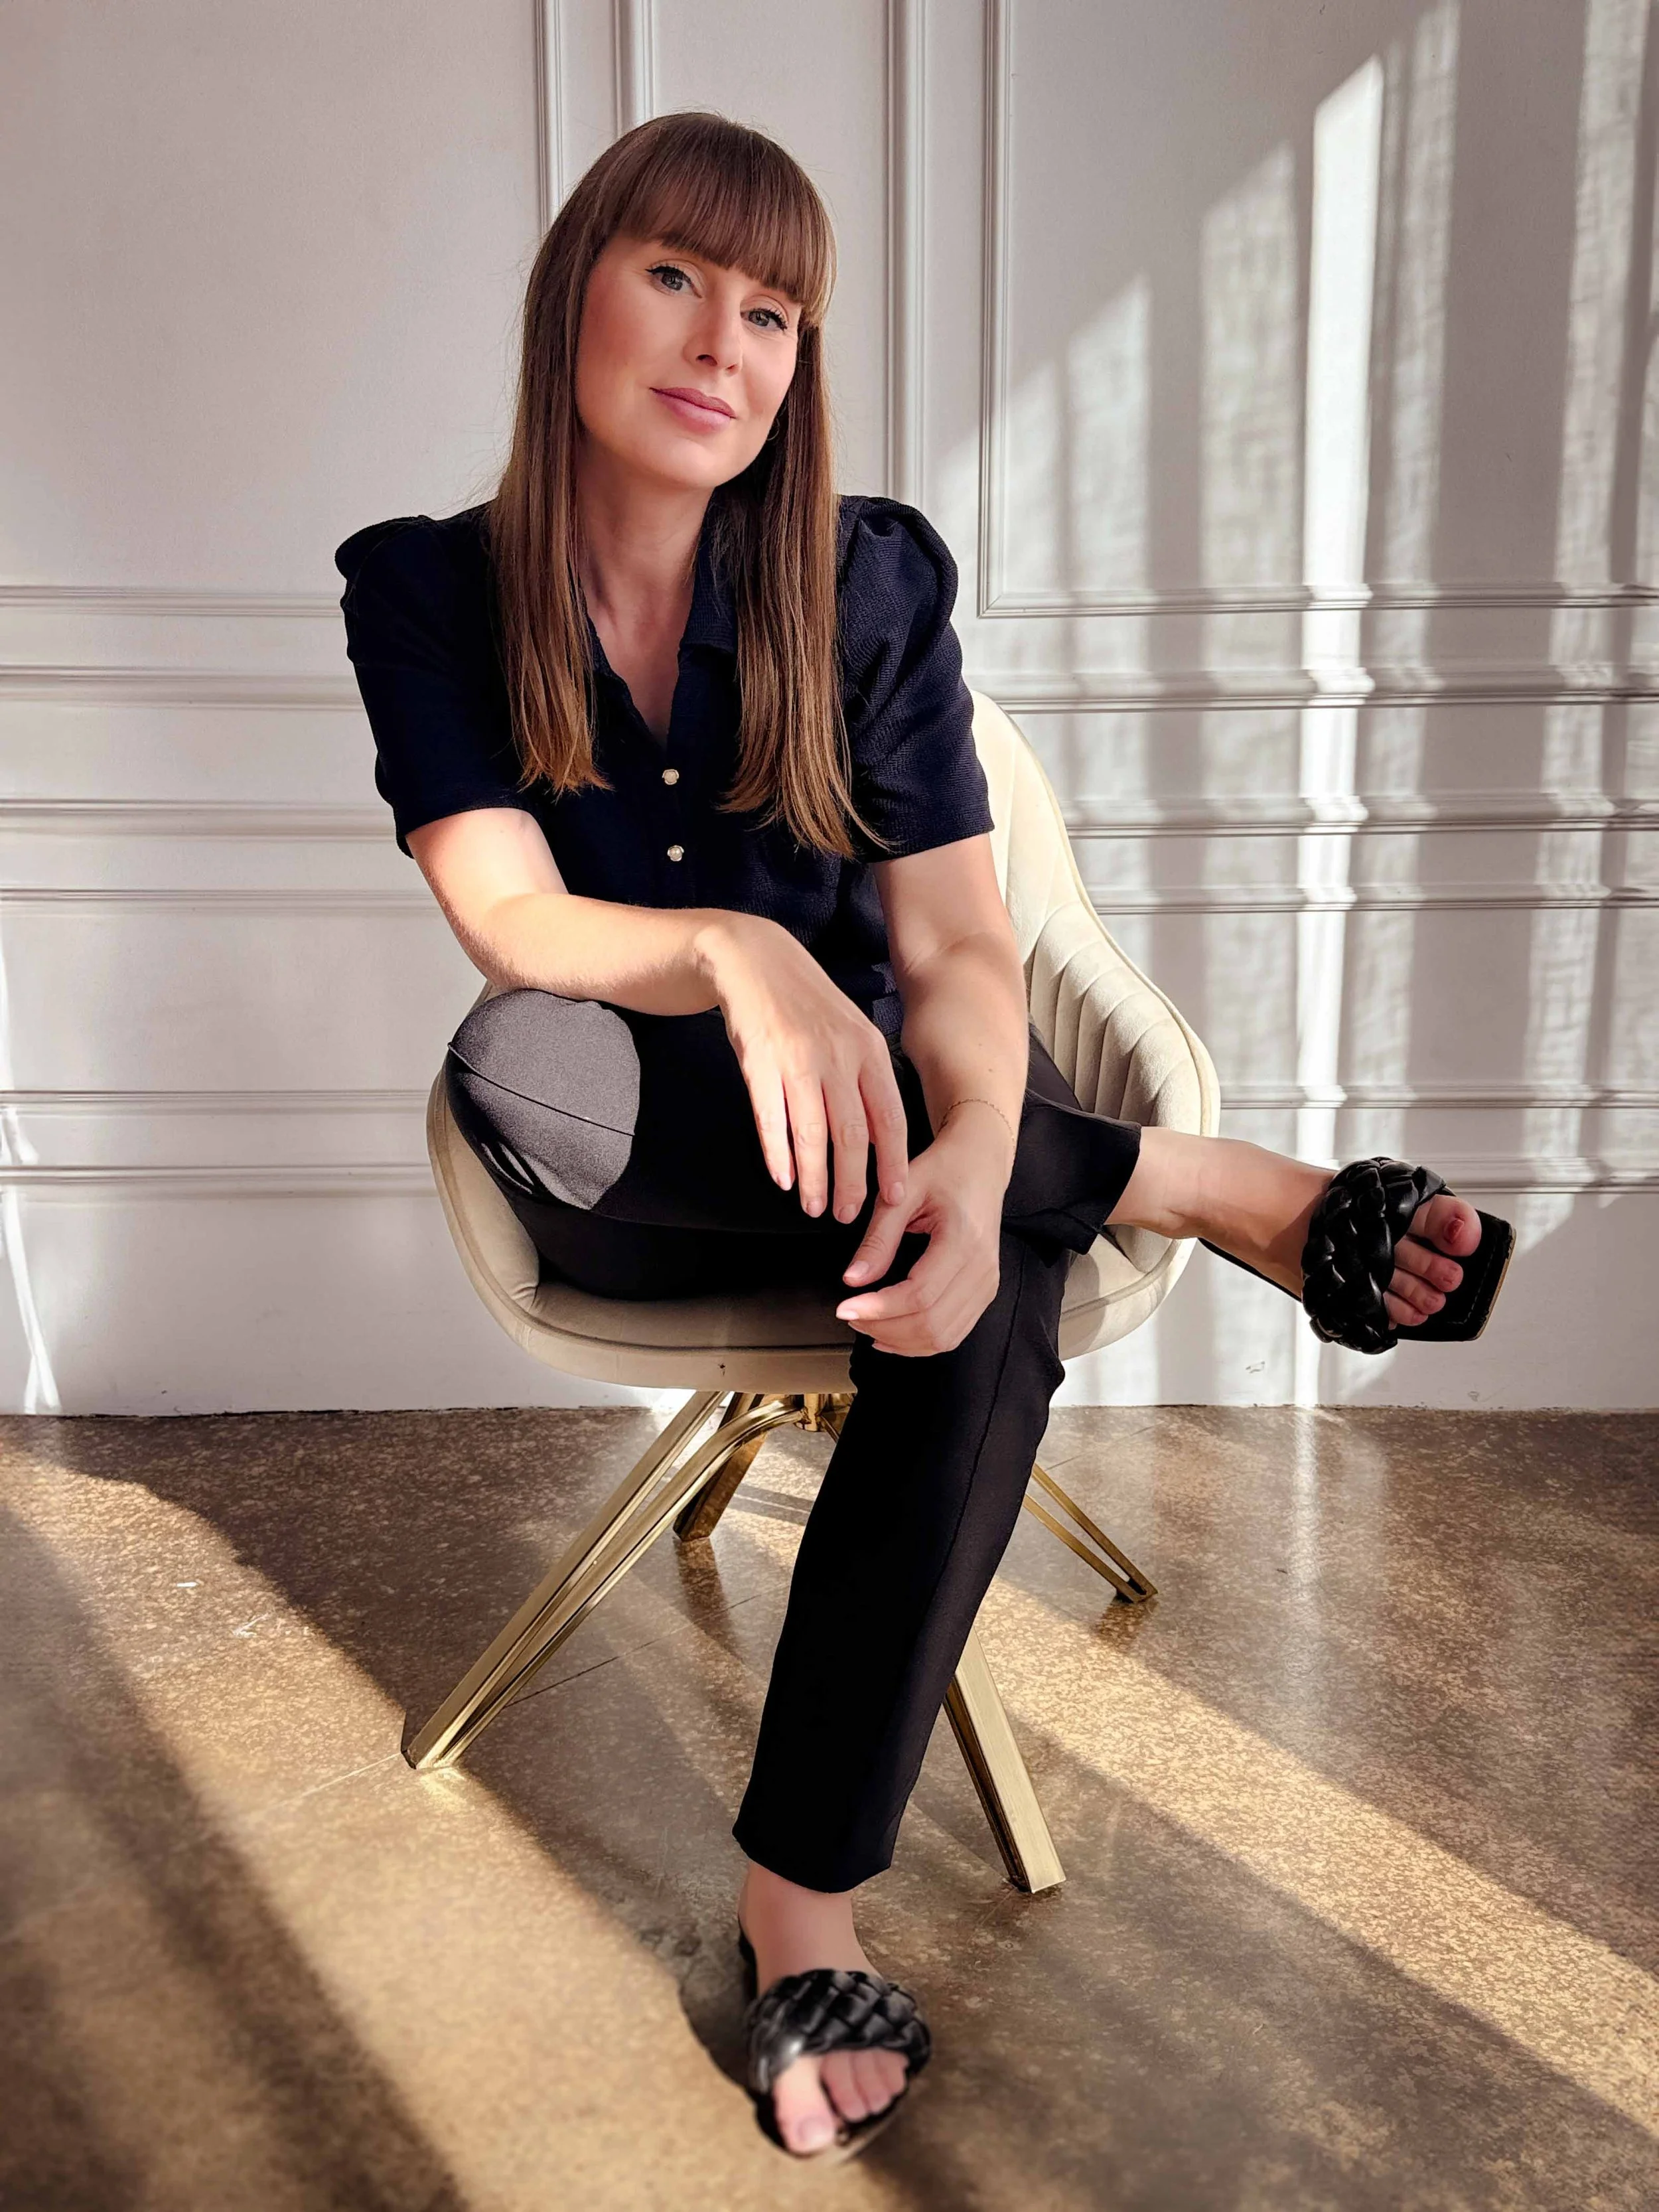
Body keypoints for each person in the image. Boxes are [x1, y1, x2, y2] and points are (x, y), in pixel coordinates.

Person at [335, 111, 1512, 2162]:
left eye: (776, 307)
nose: (726, 342)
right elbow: (510, 922)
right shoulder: (430, 589)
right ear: (575, 300)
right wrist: (727, 950)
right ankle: (1186, 1177)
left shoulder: (862, 580)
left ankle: (803, 1895)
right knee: (519, 1057)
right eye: (678, 278)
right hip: (645, 1164)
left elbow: (961, 943)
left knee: (980, 1300)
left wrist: (977, 1155)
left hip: (891, 1159)